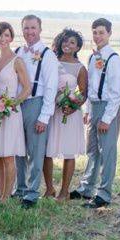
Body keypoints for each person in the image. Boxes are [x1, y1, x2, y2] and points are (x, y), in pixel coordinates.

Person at [71, 18, 120, 209]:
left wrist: (107, 118)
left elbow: (116, 93)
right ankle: (86, 187)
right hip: (94, 106)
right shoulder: (93, 57)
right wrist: (88, 110)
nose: (97, 36)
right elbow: (92, 86)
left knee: (107, 151)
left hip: (107, 108)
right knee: (92, 149)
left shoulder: (115, 60)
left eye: (101, 32)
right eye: (94, 32)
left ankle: (103, 193)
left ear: (109, 34)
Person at [13, 15, 59, 208]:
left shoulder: (47, 54)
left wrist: (44, 116)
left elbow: (51, 86)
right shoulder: (17, 52)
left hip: (36, 104)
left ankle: (32, 193)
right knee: (18, 149)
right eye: (26, 28)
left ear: (40, 30)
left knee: (35, 150)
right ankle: (20, 188)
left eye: (33, 28)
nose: (29, 32)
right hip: (17, 105)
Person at [0, 22, 31, 203]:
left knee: (8, 155)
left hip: (10, 113)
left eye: (6, 35)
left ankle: (6, 197)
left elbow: (27, 88)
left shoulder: (17, 61)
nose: (3, 39)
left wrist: (12, 104)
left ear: (11, 37)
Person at [42, 28, 87, 202]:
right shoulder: (52, 61)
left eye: (72, 43)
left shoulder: (80, 68)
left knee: (69, 152)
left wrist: (73, 106)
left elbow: (83, 92)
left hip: (70, 114)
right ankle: (49, 188)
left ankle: (64, 191)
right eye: (65, 41)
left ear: (77, 47)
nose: (67, 45)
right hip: (52, 111)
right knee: (47, 151)